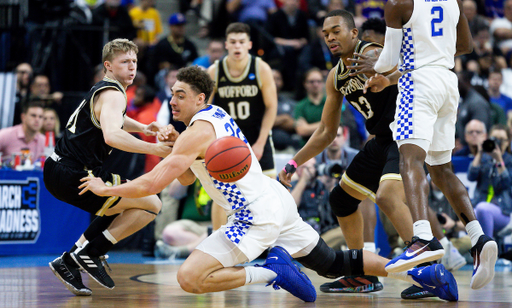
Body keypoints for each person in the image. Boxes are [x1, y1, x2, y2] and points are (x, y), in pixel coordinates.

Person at [79, 65, 459, 302]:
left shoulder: (195, 133)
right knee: (331, 263)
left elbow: (155, 182)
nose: (172, 101)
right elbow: (181, 172)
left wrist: (109, 189)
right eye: (171, 95)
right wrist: (168, 144)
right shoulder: (213, 117)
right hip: (274, 198)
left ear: (199, 97)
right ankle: (422, 274)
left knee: (190, 279)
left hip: (253, 215)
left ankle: (272, 270)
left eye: (180, 96)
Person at [362, 0, 497, 290]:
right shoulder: (453, 1)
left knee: (410, 160)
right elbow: (464, 46)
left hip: (418, 85)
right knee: (442, 170)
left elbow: (386, 61)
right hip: (448, 83)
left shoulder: (399, 3)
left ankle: (422, 238)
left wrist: (375, 65)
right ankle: (478, 238)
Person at [279, 10, 414, 294]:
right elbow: (327, 132)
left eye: (336, 30)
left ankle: (427, 270)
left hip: (406, 135)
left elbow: (410, 73)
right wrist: (294, 162)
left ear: (354, 33)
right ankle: (361, 272)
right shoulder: (335, 77)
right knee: (341, 199)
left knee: (388, 197)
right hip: (380, 140)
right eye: (326, 33)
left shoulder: (374, 52)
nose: (330, 37)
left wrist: (384, 68)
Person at [44, 38, 174, 297]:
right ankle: (88, 253)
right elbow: (112, 135)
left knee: (121, 205)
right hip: (73, 173)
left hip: (64, 169)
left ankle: (70, 261)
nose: (132, 67)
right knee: (151, 203)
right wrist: (155, 148)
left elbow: (115, 119)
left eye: (134, 61)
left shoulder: (107, 91)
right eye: (125, 61)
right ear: (108, 65)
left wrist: (143, 128)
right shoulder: (114, 93)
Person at [207, 22, 277, 177]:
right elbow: (205, 109)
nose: (237, 46)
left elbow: (272, 106)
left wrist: (260, 143)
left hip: (256, 132)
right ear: (226, 45)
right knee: (229, 189)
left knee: (269, 184)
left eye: (241, 42)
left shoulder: (261, 68)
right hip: (227, 136)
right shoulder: (214, 71)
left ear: (249, 45)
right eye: (232, 42)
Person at [469, 125, 512, 238]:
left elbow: (507, 184)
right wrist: (479, 153)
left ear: (508, 142)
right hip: (480, 205)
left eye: (501, 140)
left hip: (502, 211)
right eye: (494, 139)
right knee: (469, 213)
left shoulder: (510, 161)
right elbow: (471, 176)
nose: (497, 142)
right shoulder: (484, 159)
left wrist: (499, 160)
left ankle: (487, 248)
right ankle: (478, 251)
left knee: (483, 208)